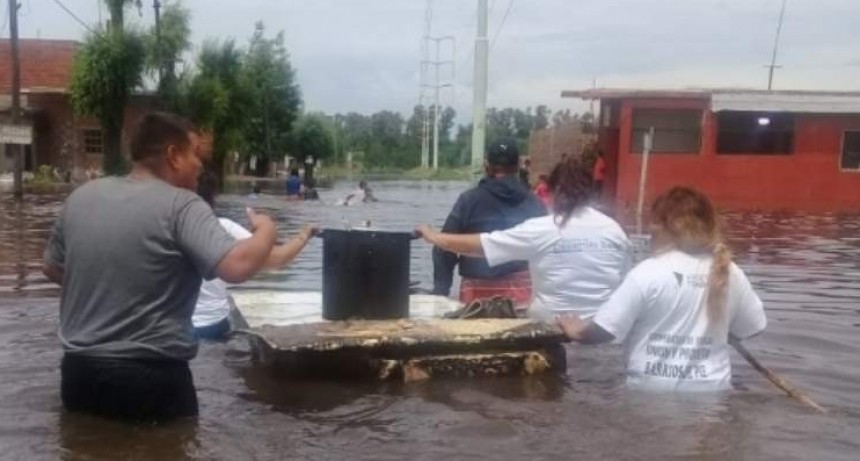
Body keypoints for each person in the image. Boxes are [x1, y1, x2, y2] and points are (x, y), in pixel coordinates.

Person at [42, 112, 277, 422]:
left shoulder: (81, 198)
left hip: (79, 374)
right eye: (195, 153)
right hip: (152, 378)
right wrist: (266, 230)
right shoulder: (182, 204)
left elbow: (52, 267)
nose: (201, 164)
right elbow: (237, 266)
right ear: (173, 156)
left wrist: (110, 292)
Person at [557, 186, 767, 392]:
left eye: (653, 223)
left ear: (665, 226)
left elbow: (604, 332)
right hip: (713, 391)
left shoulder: (648, 272)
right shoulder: (731, 272)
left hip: (649, 391)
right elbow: (752, 327)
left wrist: (577, 332)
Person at [419, 156, 629, 318]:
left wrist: (433, 236)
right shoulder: (614, 230)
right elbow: (624, 282)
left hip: (551, 330)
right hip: (603, 331)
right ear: (591, 191)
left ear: (552, 191)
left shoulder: (544, 229)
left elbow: (481, 246)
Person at [194, 171, 317, 339]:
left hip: (164, 332)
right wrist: (304, 234)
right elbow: (277, 259)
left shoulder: (154, 225)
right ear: (213, 198)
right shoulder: (222, 228)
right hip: (211, 326)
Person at [429, 138, 546, 307]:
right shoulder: (534, 202)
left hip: (476, 294)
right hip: (521, 293)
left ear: (486, 165)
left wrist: (441, 291)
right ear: (519, 165)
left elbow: (443, 247)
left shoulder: (469, 200)